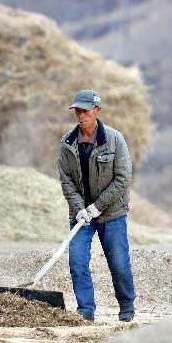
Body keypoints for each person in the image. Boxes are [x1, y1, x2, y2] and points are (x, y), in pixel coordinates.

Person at [58, 89, 136, 322]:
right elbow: (66, 179)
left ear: (97, 111)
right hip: (81, 215)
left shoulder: (114, 139)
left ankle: (126, 307)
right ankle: (85, 310)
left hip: (111, 213)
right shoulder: (68, 143)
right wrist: (80, 208)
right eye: (78, 111)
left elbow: (123, 178)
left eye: (85, 111)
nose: (81, 116)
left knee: (119, 263)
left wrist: (98, 207)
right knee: (77, 261)